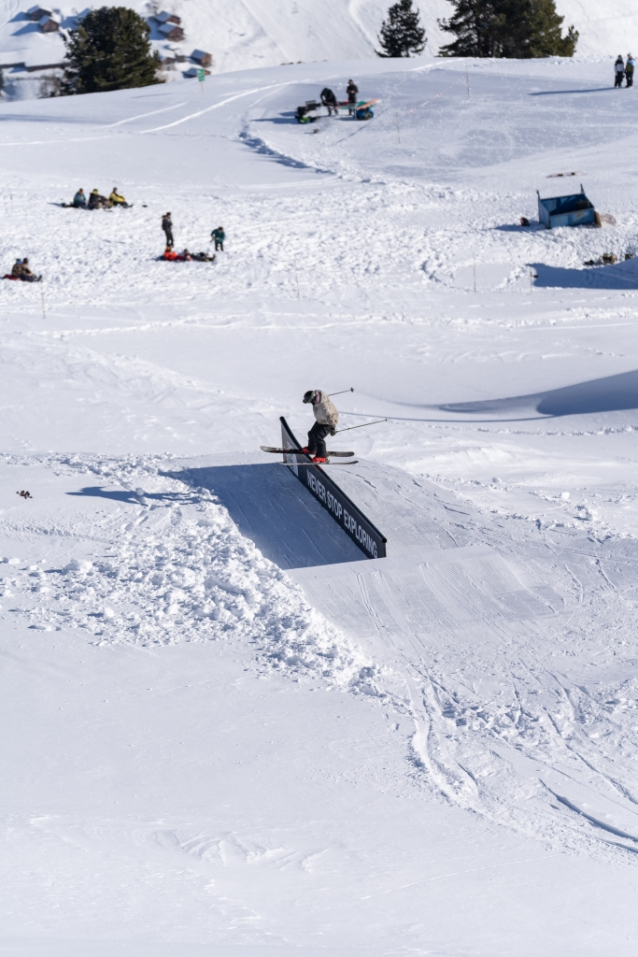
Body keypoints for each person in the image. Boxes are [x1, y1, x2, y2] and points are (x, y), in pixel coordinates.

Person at [301, 389, 339, 463]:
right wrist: (306, 400)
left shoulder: (323, 405)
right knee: (311, 433)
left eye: (310, 401)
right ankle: (312, 449)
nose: (310, 403)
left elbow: (330, 415)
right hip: (321, 420)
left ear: (313, 399)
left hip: (328, 423)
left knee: (318, 437)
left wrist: (332, 427)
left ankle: (322, 456)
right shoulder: (316, 399)